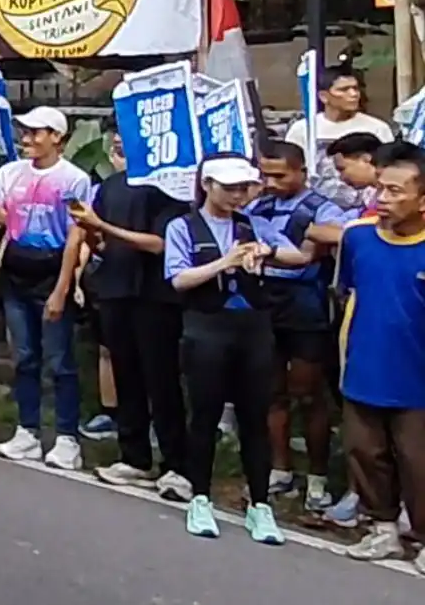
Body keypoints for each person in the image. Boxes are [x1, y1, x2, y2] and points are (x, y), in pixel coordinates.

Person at [164, 155, 310, 544]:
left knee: (255, 417)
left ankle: (260, 505)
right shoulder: (183, 226)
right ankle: (199, 497)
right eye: (230, 188)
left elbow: (300, 257)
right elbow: (178, 278)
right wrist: (223, 263)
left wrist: (267, 252)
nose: (237, 196)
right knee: (205, 415)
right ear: (207, 185)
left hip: (254, 327)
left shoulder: (253, 225)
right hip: (206, 325)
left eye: (244, 188)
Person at [71, 121, 192, 498]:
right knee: (127, 379)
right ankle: (134, 457)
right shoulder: (109, 186)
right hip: (116, 290)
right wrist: (91, 232)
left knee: (162, 382)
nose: (119, 145)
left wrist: (101, 225)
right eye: (116, 139)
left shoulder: (167, 188)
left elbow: (160, 244)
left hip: (156, 296)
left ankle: (178, 466)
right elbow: (105, 242)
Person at [0, 107, 91, 471]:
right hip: (16, 271)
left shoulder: (74, 179)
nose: (27, 139)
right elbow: (3, 219)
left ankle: (66, 437)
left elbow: (76, 237)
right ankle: (27, 430)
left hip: (52, 268)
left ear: (57, 137)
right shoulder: (9, 173)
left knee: (59, 360)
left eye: (36, 133)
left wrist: (62, 289)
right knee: (24, 357)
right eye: (24, 132)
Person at [247, 139, 349, 512]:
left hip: (306, 305)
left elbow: (325, 249)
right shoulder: (258, 206)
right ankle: (280, 469)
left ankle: (318, 477)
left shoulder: (324, 209)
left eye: (280, 175)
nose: (271, 182)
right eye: (265, 174)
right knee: (271, 391)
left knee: (308, 393)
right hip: (266, 301)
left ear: (301, 172)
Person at [336, 141, 425, 569]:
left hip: (417, 380)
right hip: (364, 370)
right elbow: (346, 292)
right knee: (365, 453)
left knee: (419, 463)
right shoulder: (357, 237)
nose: (382, 200)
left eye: (395, 192)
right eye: (380, 190)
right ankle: (383, 529)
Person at [285, 67, 394, 206]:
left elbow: (388, 168)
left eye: (356, 88)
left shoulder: (377, 127)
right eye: (344, 89)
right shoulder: (303, 129)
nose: (353, 94)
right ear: (324, 96)